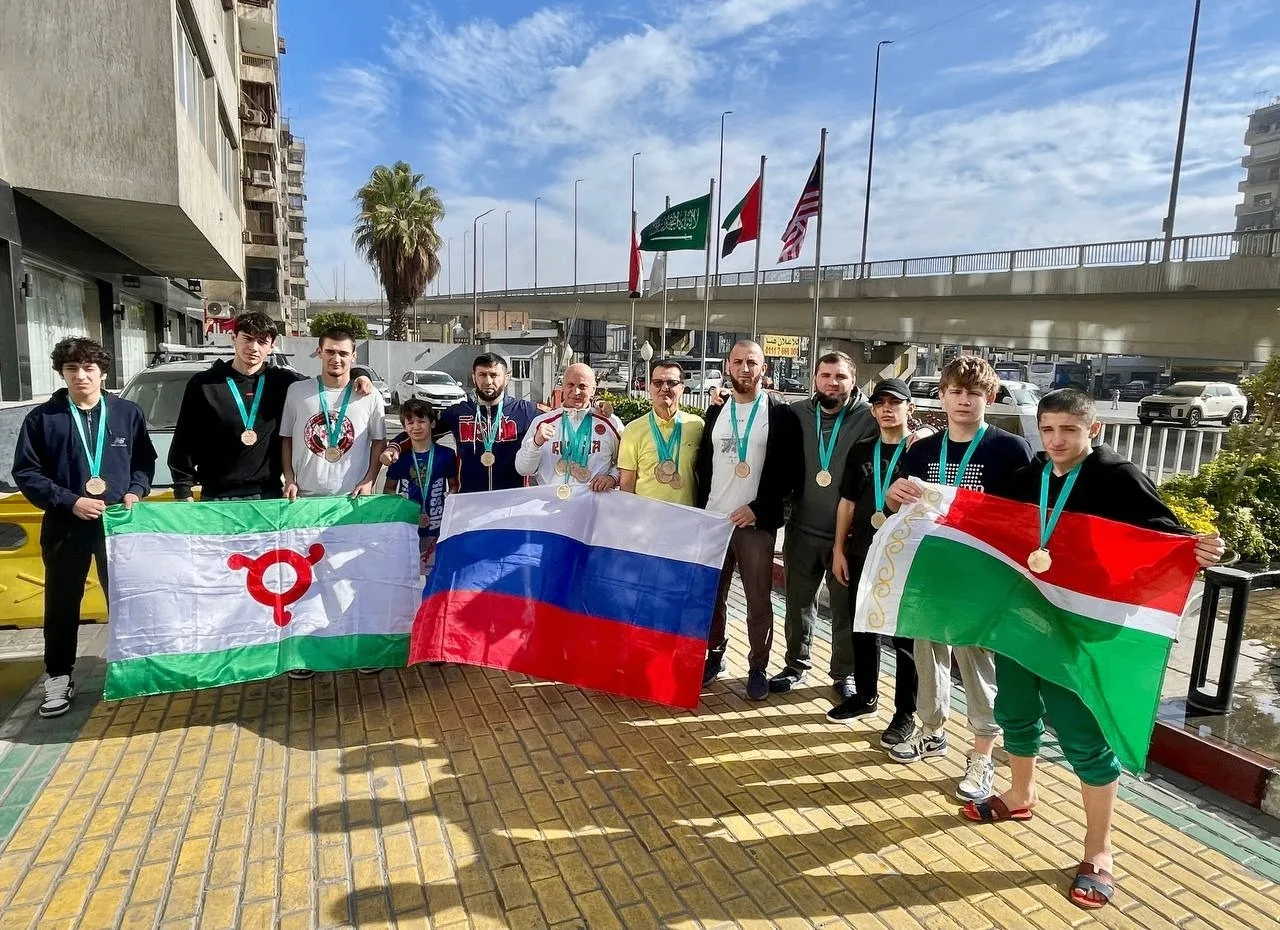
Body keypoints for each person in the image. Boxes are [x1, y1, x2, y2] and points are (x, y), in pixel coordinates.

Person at [968, 389, 1224, 911]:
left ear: (1094, 430)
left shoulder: (1117, 477)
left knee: (1083, 737)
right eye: (1048, 429)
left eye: (1069, 429)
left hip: (1080, 630)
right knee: (1015, 712)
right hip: (1024, 623)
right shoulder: (1030, 476)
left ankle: (1099, 851)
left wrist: (1202, 547)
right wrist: (920, 500)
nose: (1057, 440)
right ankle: (1020, 795)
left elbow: (1166, 539)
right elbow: (979, 520)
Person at [884, 355, 1034, 803]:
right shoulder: (922, 450)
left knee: (976, 660)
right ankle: (932, 730)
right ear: (942, 395)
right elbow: (898, 507)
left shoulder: (1010, 450)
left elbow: (1026, 519)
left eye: (973, 393)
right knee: (927, 652)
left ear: (990, 397)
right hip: (931, 573)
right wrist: (892, 495)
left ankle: (983, 753)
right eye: (955, 391)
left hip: (982, 578)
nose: (964, 400)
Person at [13, 337, 156, 718]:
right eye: (72, 369)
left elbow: (144, 461)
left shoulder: (126, 413)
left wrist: (136, 490)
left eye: (89, 368)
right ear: (61, 373)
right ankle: (58, 675)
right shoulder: (43, 419)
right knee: (62, 603)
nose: (81, 376)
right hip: (66, 524)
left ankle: (131, 667)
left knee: (125, 599)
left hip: (118, 524)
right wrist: (69, 501)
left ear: (103, 372)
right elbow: (26, 473)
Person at [169, 311, 375, 501]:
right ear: (233, 337)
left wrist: (360, 374)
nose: (254, 348)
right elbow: (184, 439)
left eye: (262, 341)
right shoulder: (203, 384)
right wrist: (183, 489)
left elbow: (328, 382)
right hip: (216, 496)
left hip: (268, 495)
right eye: (247, 339)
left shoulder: (285, 382)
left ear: (272, 345)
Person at [694, 341, 802, 700]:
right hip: (713, 520)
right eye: (738, 361)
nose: (744, 368)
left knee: (758, 601)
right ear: (728, 366)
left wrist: (759, 508)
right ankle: (715, 654)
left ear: (763, 368)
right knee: (713, 597)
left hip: (754, 523)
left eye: (752, 362)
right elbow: (705, 463)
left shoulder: (779, 413)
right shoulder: (716, 410)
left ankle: (757, 666)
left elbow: (791, 473)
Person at [769, 351, 877, 698]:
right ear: (814, 378)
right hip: (802, 529)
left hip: (846, 536)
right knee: (798, 603)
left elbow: (903, 431)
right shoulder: (797, 413)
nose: (833, 383)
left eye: (840, 376)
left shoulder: (870, 417)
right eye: (826, 375)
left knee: (845, 609)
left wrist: (921, 433)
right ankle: (795, 664)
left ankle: (844, 673)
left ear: (853, 380)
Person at [829, 378, 919, 748]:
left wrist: (927, 433)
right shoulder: (862, 449)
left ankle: (905, 713)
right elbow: (848, 502)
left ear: (910, 408)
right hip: (863, 551)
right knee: (862, 627)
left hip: (905, 558)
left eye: (894, 403)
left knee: (904, 638)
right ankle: (866, 696)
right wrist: (838, 549)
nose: (886, 409)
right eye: (880, 403)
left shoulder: (922, 451)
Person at [387, 353, 540, 493]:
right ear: (474, 377)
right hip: (468, 500)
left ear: (506, 378)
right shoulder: (458, 412)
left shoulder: (526, 411)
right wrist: (395, 446)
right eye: (482, 375)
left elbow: (553, 419)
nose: (488, 381)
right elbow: (421, 430)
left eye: (494, 375)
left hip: (513, 499)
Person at [281, 326, 387, 501]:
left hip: (353, 497)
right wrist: (289, 479)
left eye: (343, 354)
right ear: (319, 352)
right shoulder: (297, 391)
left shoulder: (369, 395)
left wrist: (369, 480)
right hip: (303, 496)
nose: (336, 359)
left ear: (354, 356)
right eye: (330, 352)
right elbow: (287, 438)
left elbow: (379, 441)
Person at [515, 363, 624, 495]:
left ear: (593, 389)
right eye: (570, 385)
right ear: (563, 386)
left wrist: (612, 478)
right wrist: (535, 444)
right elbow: (523, 469)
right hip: (551, 502)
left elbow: (626, 462)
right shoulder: (542, 422)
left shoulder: (611, 423)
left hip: (594, 503)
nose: (576, 391)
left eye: (582, 386)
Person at [383, 398, 458, 576]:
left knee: (436, 575)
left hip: (438, 528)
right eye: (410, 423)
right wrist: (400, 504)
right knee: (408, 575)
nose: (416, 427)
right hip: (409, 527)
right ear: (404, 427)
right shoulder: (400, 458)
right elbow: (388, 488)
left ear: (432, 423)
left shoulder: (446, 455)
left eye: (421, 421)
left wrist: (451, 496)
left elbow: (454, 484)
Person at [618, 360, 704, 507]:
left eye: (672, 383)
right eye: (658, 383)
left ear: (682, 388)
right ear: (650, 387)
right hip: (647, 517)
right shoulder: (633, 430)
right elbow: (627, 483)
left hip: (686, 516)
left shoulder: (697, 426)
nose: (664, 388)